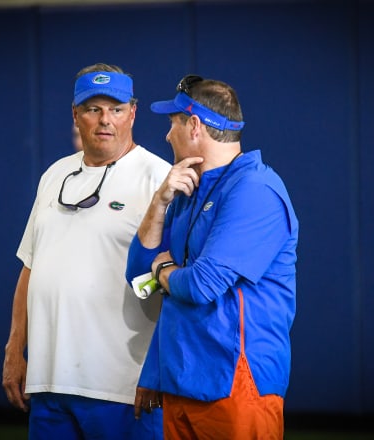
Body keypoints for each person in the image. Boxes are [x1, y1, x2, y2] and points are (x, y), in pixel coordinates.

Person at [2, 63, 171, 440]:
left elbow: (174, 286)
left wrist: (159, 370)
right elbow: (31, 267)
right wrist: (15, 348)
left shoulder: (158, 179)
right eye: (93, 109)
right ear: (76, 115)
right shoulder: (54, 174)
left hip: (123, 386)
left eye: (115, 109)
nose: (104, 120)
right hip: (50, 383)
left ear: (133, 113)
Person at [125, 74, 299, 439]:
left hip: (236, 385)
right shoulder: (185, 190)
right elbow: (141, 274)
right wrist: (160, 201)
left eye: (172, 124)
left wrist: (166, 270)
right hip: (180, 381)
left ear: (194, 126)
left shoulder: (256, 190)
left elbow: (201, 285)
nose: (166, 135)